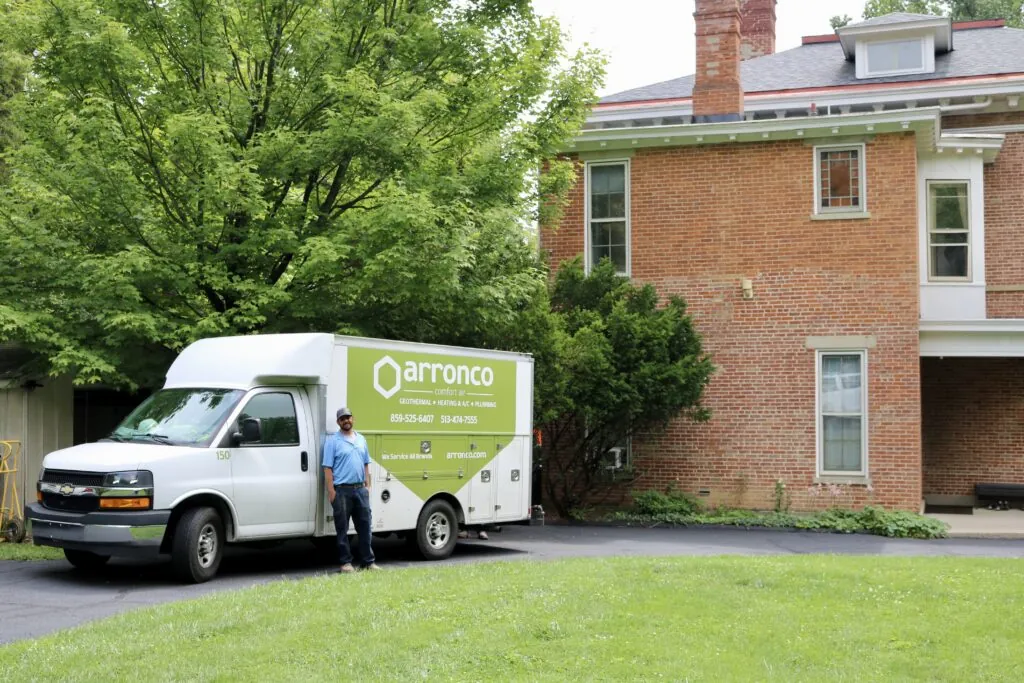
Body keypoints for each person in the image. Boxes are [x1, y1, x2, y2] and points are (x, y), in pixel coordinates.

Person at [322, 407, 380, 572]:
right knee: (342, 529)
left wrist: (367, 486)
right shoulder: (333, 441)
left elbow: (366, 463)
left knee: (365, 527)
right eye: (342, 419)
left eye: (348, 417)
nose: (346, 421)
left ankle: (368, 562)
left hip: (360, 490)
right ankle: (345, 563)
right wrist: (331, 491)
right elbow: (327, 468)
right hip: (342, 491)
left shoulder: (361, 439)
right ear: (338, 422)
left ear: (352, 419)